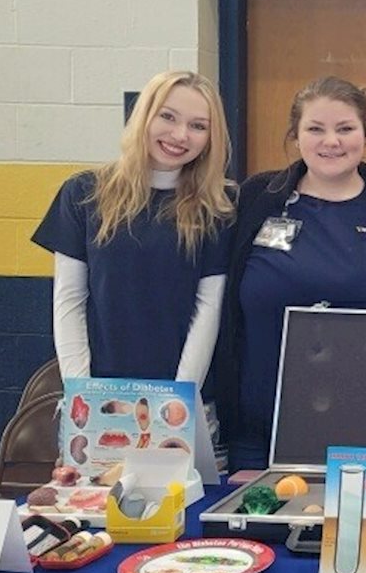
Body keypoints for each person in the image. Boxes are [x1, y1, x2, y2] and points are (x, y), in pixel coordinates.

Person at [214, 76, 366, 472]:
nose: (332, 141)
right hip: (261, 431)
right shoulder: (256, 199)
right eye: (316, 129)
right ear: (296, 136)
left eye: (345, 128)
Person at [32, 70, 235, 389]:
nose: (180, 135)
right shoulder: (83, 193)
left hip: (182, 399)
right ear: (143, 117)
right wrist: (81, 390)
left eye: (198, 126)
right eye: (168, 117)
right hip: (97, 396)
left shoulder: (219, 206)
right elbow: (69, 301)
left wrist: (179, 396)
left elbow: (208, 309)